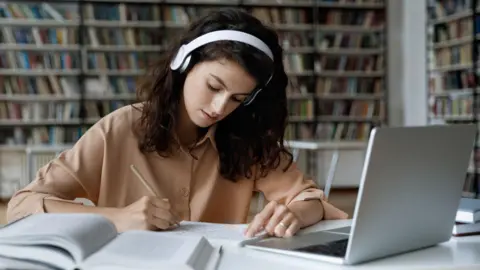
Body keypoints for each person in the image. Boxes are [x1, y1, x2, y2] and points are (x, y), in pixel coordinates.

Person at [7, 8, 348, 238]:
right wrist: (115, 217)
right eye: (214, 86)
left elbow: (309, 198)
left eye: (237, 99)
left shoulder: (246, 138)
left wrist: (300, 213)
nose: (220, 107)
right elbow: (22, 206)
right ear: (183, 64)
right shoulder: (121, 129)